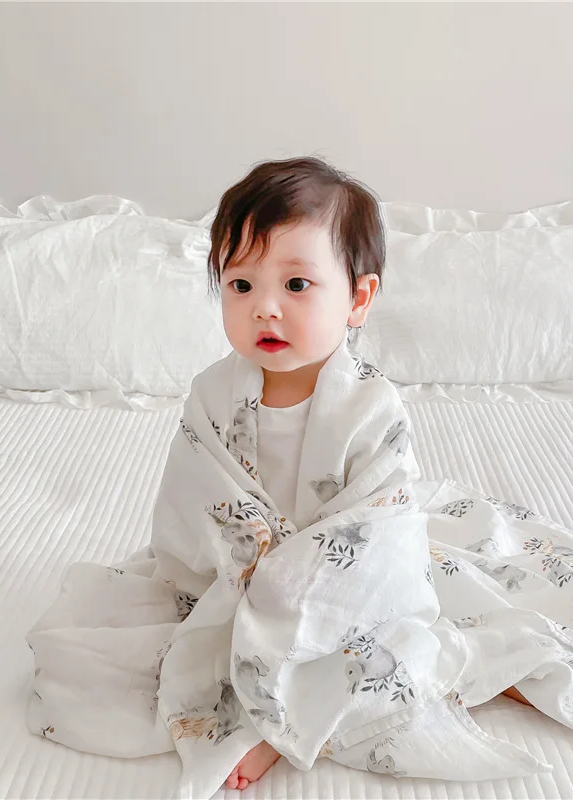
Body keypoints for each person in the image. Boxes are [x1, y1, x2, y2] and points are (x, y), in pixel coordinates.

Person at [206, 157, 530, 791]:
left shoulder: (370, 408)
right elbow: (195, 498)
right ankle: (263, 679)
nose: (265, 308)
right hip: (244, 564)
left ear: (357, 299)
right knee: (180, 646)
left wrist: (291, 580)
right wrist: (243, 566)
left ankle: (281, 722)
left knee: (377, 657)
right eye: (240, 284)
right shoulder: (212, 395)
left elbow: (375, 528)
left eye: (296, 284)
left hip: (346, 581)